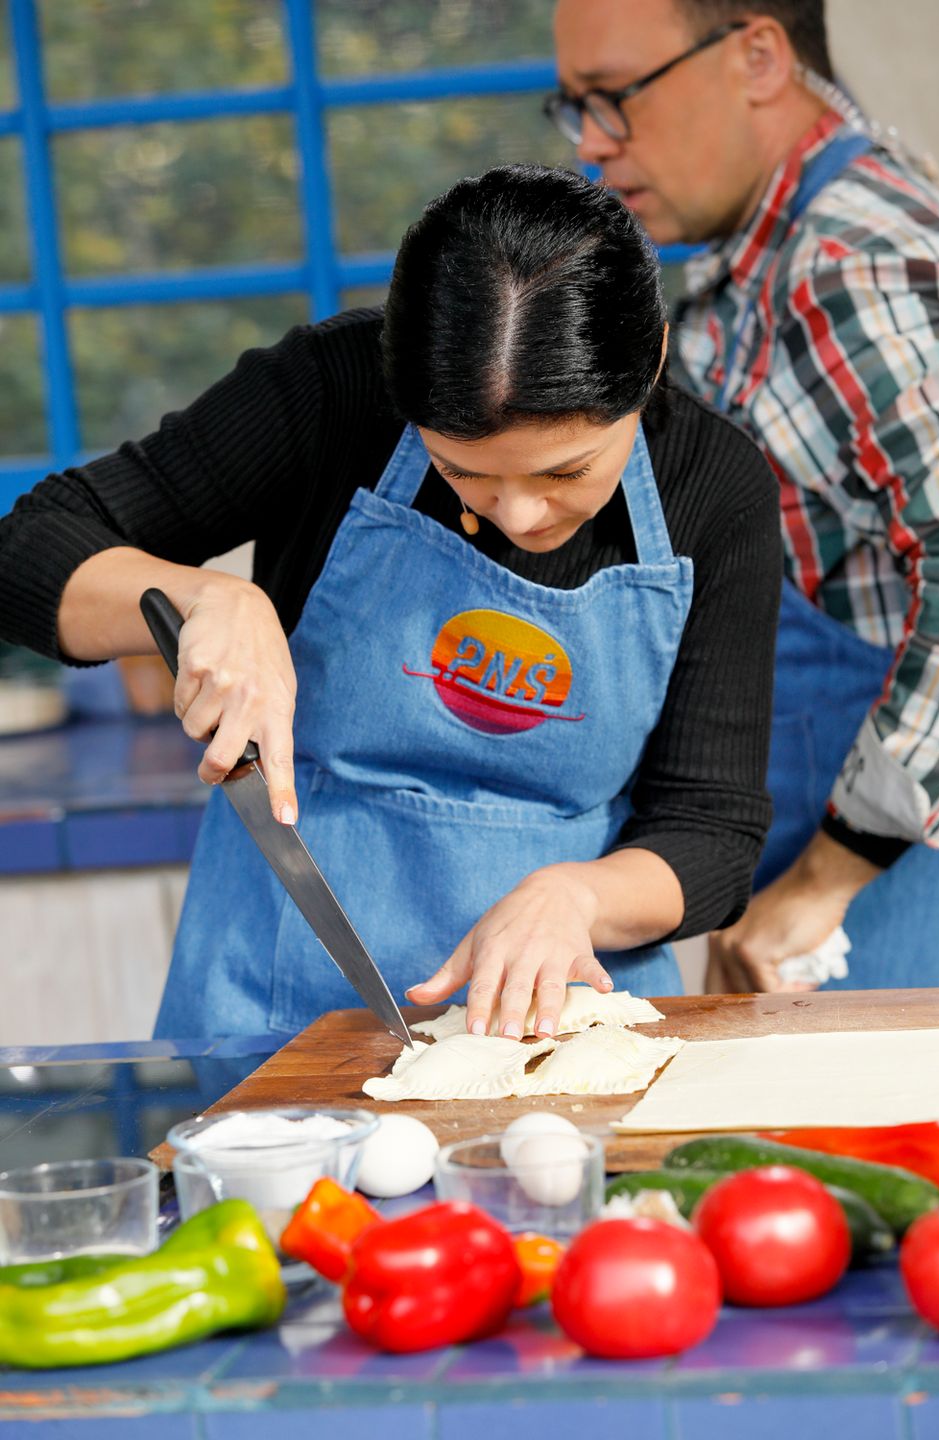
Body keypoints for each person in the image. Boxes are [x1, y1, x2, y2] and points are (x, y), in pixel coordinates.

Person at [0, 165, 781, 1041]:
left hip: (565, 1020)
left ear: (653, 367)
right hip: (280, 1014)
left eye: (567, 472)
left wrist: (577, 894)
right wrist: (203, 596)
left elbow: (712, 829)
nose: (520, 514)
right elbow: (29, 549)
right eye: (463, 472)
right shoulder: (331, 396)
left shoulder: (714, 488)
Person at [550, 0, 939, 992]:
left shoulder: (846, 266)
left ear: (761, 57)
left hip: (897, 879)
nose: (595, 145)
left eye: (617, 98)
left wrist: (828, 878)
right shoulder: (756, 266)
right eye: (574, 107)